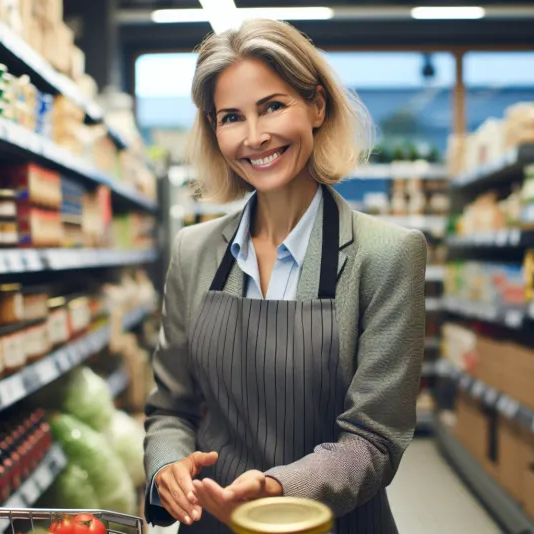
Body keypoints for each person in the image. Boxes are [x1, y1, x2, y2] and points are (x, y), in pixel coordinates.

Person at [144, 18, 425, 533]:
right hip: (213, 523)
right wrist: (167, 467)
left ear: (317, 106)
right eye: (231, 117)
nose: (255, 137)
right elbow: (169, 410)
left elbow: (375, 439)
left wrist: (274, 490)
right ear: (214, 130)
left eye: (273, 106)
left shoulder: (386, 255)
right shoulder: (194, 251)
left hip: (333, 524)